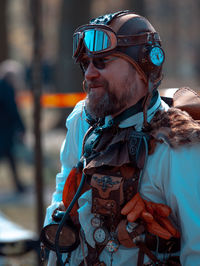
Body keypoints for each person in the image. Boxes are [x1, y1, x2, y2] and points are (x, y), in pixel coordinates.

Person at [43, 10, 200, 265]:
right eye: (86, 64)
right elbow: (60, 201)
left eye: (102, 62)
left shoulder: (177, 145)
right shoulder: (81, 123)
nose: (89, 73)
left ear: (143, 68)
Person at [0, 62, 26, 193]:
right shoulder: (7, 89)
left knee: (10, 157)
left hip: (4, 129)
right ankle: (18, 185)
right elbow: (13, 110)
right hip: (4, 130)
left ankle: (18, 185)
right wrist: (22, 127)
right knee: (9, 156)